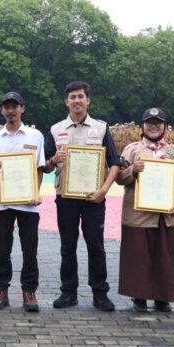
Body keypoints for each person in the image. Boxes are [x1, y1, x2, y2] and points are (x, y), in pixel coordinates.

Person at [45, 81, 121, 312]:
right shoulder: (55, 129)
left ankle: (100, 293)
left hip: (93, 197)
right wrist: (53, 160)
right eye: (72, 97)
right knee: (67, 245)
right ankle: (68, 293)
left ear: (88, 100)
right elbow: (45, 166)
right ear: (66, 101)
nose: (77, 101)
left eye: (81, 96)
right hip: (65, 197)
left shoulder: (101, 128)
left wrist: (103, 191)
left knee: (96, 245)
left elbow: (114, 163)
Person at [115, 108, 174, 312]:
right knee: (138, 256)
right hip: (137, 214)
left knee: (165, 257)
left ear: (165, 126)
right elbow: (118, 178)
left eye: (158, 123)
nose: (154, 126)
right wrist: (132, 170)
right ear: (142, 126)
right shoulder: (131, 150)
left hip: (167, 214)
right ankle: (139, 296)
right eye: (149, 123)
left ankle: (163, 297)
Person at [0, 91, 45, 312]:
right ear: (2, 110)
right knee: (3, 250)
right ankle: (0, 290)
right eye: (7, 107)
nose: (11, 111)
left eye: (15, 106)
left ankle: (29, 291)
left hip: (28, 203)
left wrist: (36, 192)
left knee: (30, 251)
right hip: (2, 202)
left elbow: (39, 168)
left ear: (22, 108)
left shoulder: (35, 136)